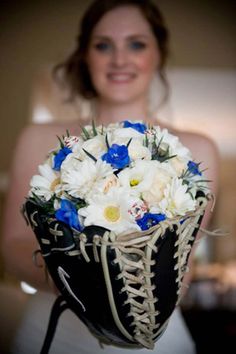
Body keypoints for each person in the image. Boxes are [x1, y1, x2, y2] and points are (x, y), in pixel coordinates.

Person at [1, 0, 219, 353]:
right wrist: (74, 280)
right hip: (56, 330)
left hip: (152, 336)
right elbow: (12, 245)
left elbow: (185, 259)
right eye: (103, 45)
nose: (119, 59)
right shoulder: (38, 140)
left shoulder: (197, 148)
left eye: (136, 44)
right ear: (86, 56)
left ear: (158, 54)